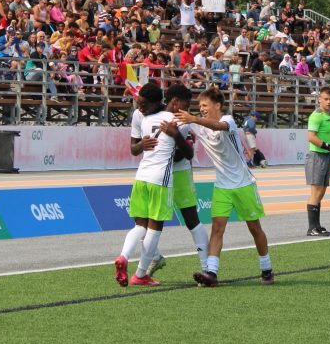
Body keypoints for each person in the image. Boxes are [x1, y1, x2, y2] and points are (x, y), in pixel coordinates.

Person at [175, 88, 274, 287]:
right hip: (222, 185)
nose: (202, 108)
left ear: (217, 106)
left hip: (243, 183)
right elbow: (176, 121)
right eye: (200, 105)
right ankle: (211, 273)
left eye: (205, 105)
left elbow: (218, 126)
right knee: (217, 228)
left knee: (254, 228)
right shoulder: (197, 124)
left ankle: (266, 268)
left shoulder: (227, 120)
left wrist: (193, 119)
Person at [114, 83, 193, 287]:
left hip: (141, 177)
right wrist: (176, 135)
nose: (139, 108)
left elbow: (138, 148)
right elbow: (188, 154)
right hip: (160, 179)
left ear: (155, 103)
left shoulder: (146, 120)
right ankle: (140, 274)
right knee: (154, 229)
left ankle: (123, 256)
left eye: (143, 104)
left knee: (139, 225)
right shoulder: (175, 121)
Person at [134, 85, 210, 277]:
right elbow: (134, 148)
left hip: (179, 173)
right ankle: (154, 257)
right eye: (187, 104)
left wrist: (168, 144)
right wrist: (148, 147)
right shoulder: (141, 115)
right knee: (143, 223)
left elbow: (185, 154)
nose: (188, 109)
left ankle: (207, 268)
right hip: (155, 175)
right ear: (175, 101)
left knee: (191, 220)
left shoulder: (182, 122)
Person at [305, 87, 330, 236]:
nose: (328, 102)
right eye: (326, 99)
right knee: (316, 192)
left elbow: (326, 137)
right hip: (317, 157)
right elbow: (311, 137)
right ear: (319, 99)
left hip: (325, 156)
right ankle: (312, 228)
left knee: (321, 192)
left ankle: (317, 226)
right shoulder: (316, 116)